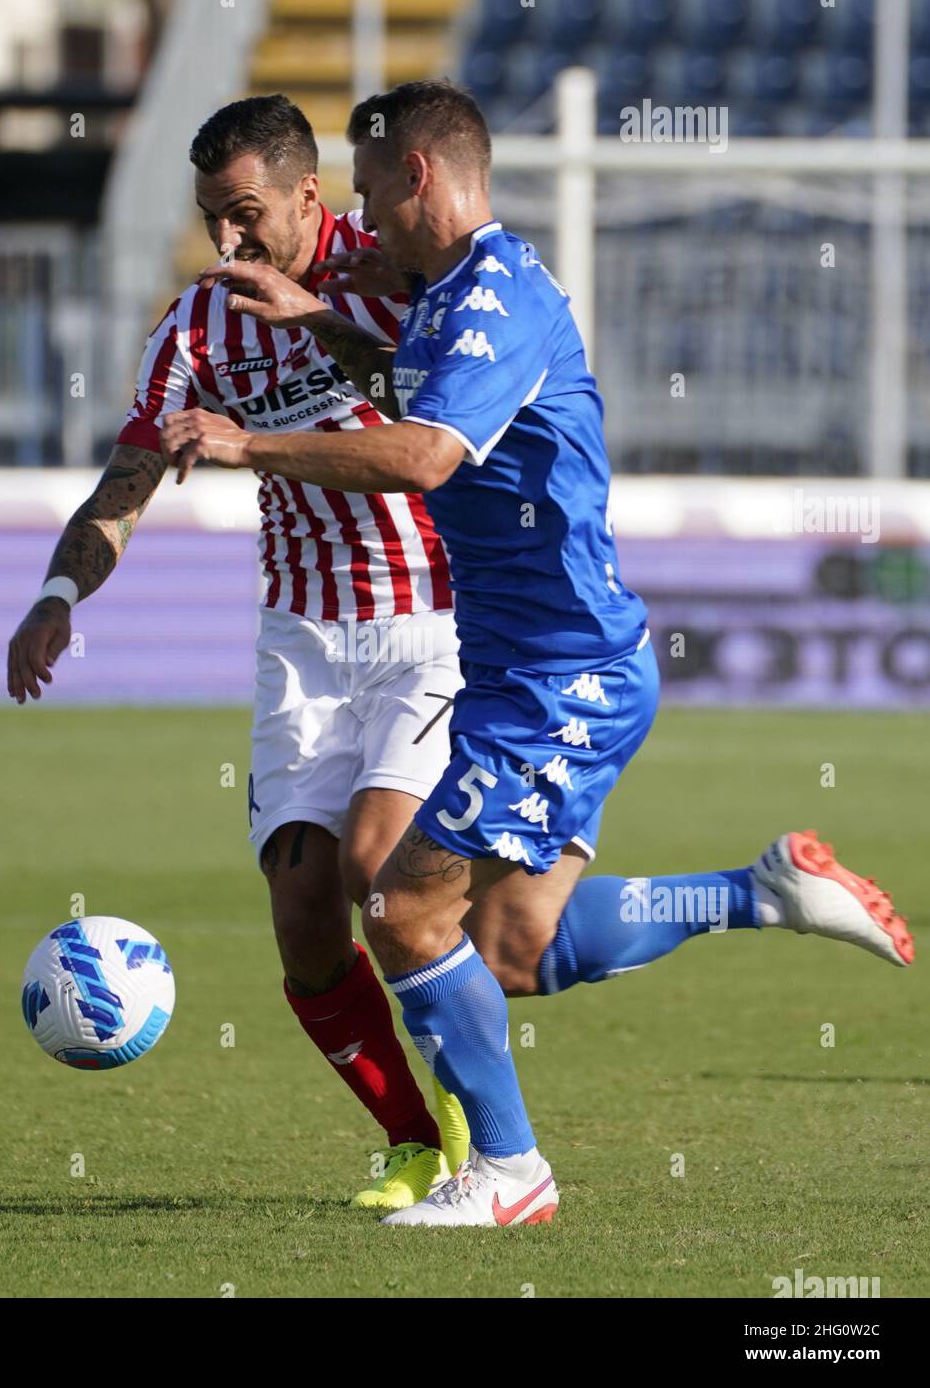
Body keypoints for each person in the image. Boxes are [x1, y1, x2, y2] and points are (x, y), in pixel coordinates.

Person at [161, 79, 914, 1228]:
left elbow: (417, 456)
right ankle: (761, 891)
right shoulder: (450, 294)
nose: (361, 228)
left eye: (370, 194)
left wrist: (242, 441)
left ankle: (509, 1175)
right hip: (532, 669)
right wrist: (316, 317)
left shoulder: (495, 298)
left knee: (406, 913)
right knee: (511, 946)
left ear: (417, 178)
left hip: (560, 679)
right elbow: (403, 387)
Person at [7, 94, 471, 1211]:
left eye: (246, 215)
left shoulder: (396, 272)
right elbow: (131, 477)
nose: (228, 242)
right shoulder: (196, 328)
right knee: (305, 918)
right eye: (214, 219)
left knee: (379, 870)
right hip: (301, 638)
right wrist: (61, 587)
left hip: (431, 620)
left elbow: (429, 417)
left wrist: (309, 316)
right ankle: (413, 1143)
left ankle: (482, 1124)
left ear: (310, 193)